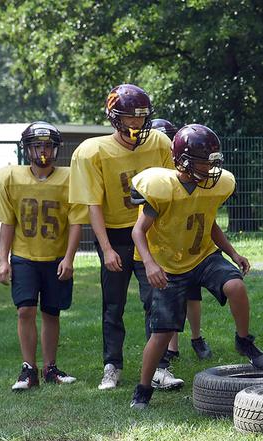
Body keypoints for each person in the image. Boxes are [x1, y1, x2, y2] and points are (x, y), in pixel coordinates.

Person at [129, 124, 263, 409]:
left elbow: (209, 224)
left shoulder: (213, 185)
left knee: (235, 285)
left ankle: (244, 340)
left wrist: (232, 253)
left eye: (213, 160)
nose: (211, 167)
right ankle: (142, 389)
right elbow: (137, 231)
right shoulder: (162, 188)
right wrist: (150, 263)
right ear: (183, 160)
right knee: (162, 333)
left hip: (203, 255)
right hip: (169, 265)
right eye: (205, 161)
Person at [69, 84, 184, 391]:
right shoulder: (93, 151)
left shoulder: (158, 142)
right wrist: (106, 248)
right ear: (114, 118)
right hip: (116, 235)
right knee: (113, 305)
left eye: (142, 116)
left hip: (149, 232)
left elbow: (172, 187)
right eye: (130, 116)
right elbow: (93, 203)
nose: (137, 122)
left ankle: (160, 367)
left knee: (155, 300)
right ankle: (112, 366)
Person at [0, 122, 86, 390]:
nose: (43, 151)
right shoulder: (10, 177)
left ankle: (50, 368)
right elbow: (8, 222)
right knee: (25, 310)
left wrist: (69, 258)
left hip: (55, 257)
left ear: (56, 149)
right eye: (37, 145)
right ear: (27, 149)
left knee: (52, 312)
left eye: (47, 145)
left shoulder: (70, 178)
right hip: (25, 256)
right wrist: (3, 260)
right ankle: (29, 369)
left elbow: (76, 222)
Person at [150, 118, 212, 361]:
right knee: (170, 297)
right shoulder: (156, 176)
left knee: (193, 295)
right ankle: (172, 347)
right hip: (165, 239)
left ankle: (196, 337)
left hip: (189, 238)